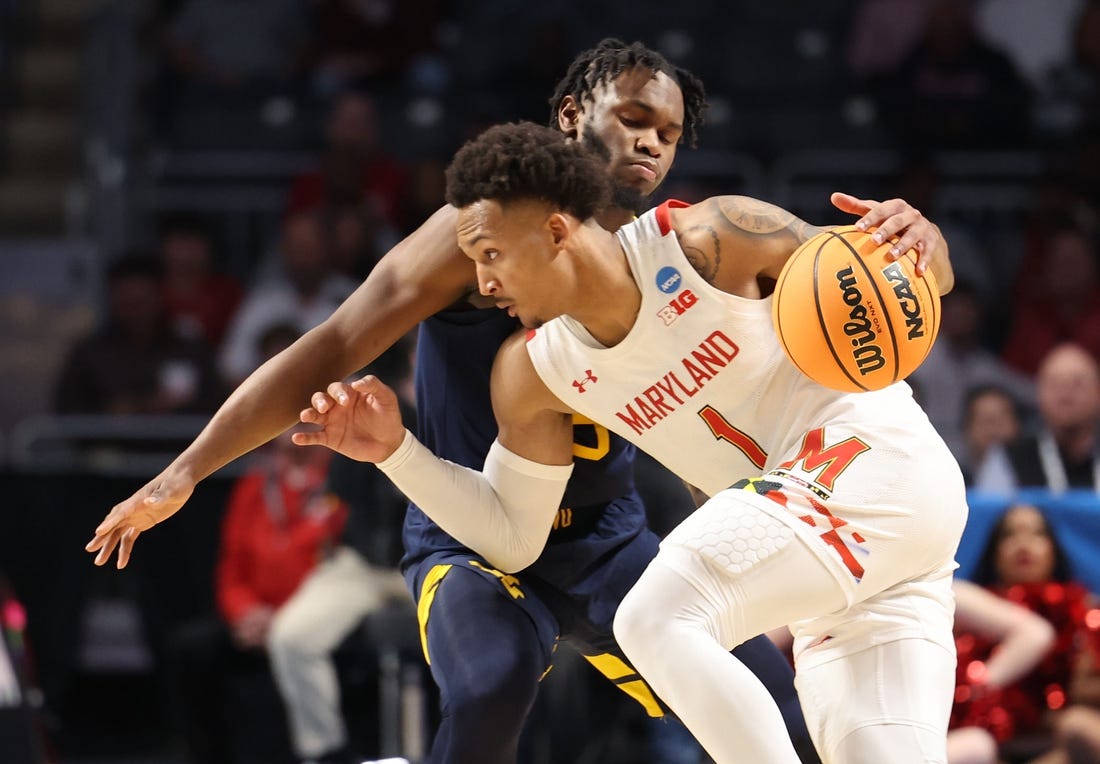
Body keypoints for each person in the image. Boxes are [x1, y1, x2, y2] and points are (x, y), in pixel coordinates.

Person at [86, 40, 821, 764]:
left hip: (604, 538)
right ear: (572, 113)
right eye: (633, 117)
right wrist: (185, 470)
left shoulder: (660, 248)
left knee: (779, 708)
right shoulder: (481, 228)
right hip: (473, 534)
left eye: (667, 134)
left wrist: (904, 240)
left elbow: (809, 294)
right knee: (489, 692)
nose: (649, 144)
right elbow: (335, 341)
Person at [283, 120, 964, 764]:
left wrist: (924, 247)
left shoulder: (707, 238)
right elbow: (514, 539)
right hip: (854, 559)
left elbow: (886, 273)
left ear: (553, 232)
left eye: (491, 255)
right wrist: (396, 449)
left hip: (865, 458)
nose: (482, 284)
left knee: (656, 614)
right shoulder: (534, 370)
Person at [951, 502, 1097, 763]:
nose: (1023, 543)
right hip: (976, 740)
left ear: (1053, 550)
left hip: (1057, 746)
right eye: (1010, 534)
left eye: (1037, 534)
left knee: (1079, 728)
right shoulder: (965, 609)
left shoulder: (1085, 614)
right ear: (994, 553)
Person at [975, 342, 1100, 494]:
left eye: (1077, 385)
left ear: (1097, 393)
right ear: (1039, 394)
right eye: (1055, 385)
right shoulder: (1008, 458)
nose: (1066, 396)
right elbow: (990, 513)